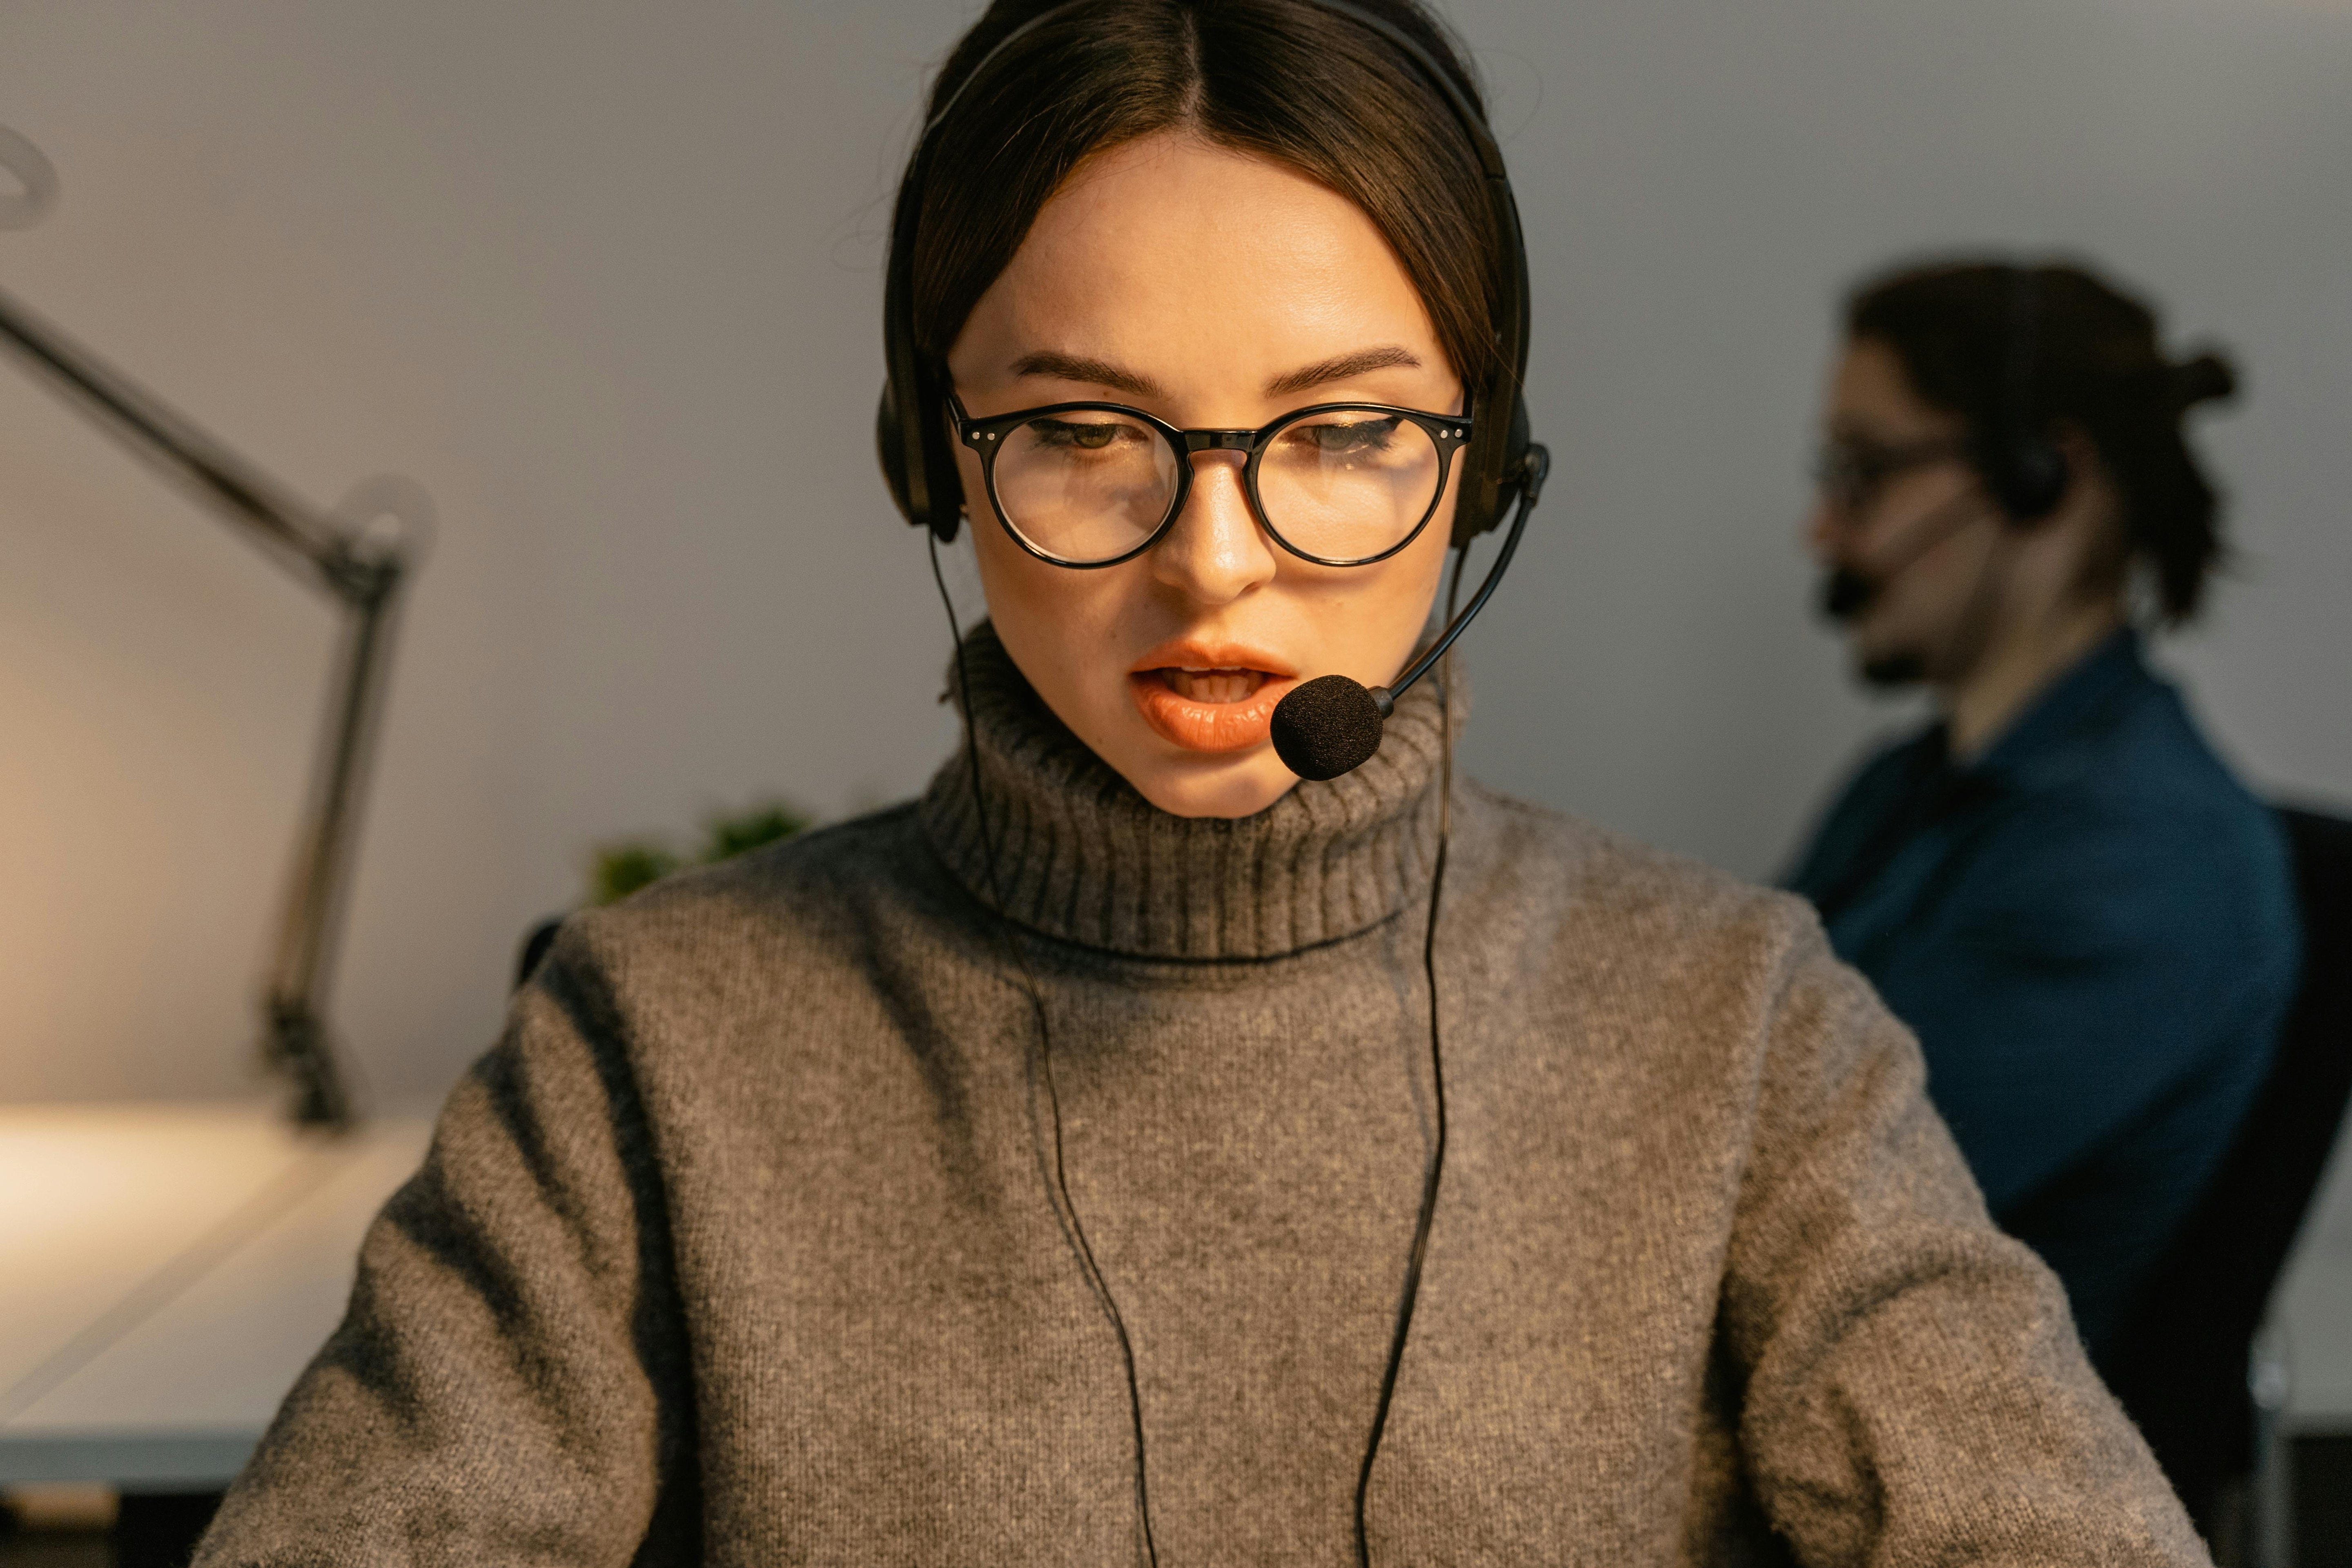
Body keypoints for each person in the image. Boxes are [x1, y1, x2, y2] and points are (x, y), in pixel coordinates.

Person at [198, 9, 2205, 1564]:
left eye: (1341, 434)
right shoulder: (651, 1045)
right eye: (1084, 429)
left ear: (1481, 468)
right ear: (931, 453)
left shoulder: (1738, 1031)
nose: (1213, 564)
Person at [1785, 258, 2302, 1378]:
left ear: (2039, 480)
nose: (1823, 531)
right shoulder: (1908, 786)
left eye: (1865, 471)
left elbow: (1799, 1208)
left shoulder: (2144, 859)